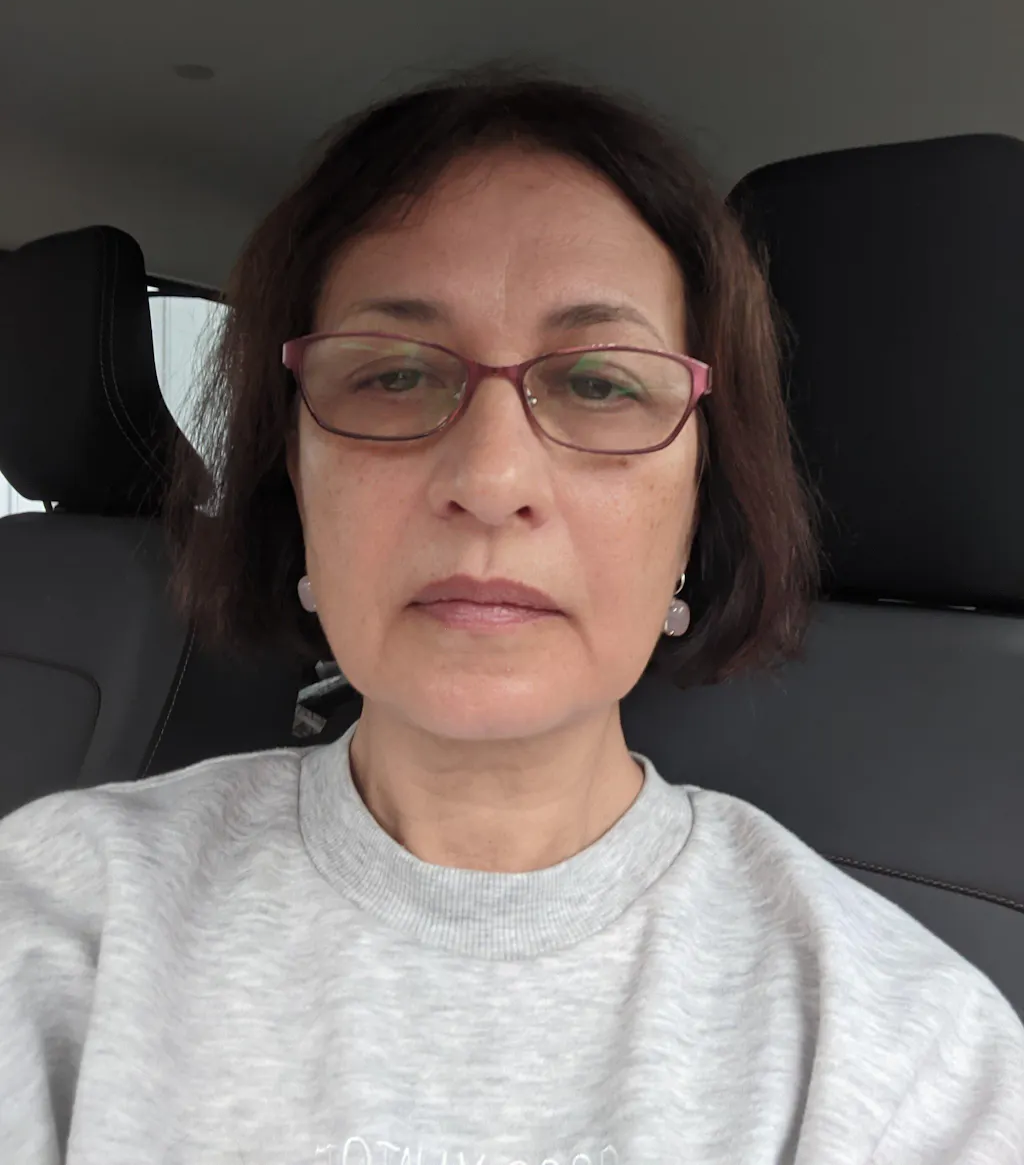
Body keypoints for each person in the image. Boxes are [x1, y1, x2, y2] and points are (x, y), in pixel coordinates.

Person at [1, 70, 1022, 1165]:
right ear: (292, 477)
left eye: (599, 384)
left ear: (700, 501)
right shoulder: (58, 924)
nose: (490, 480)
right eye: (395, 375)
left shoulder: (904, 1049)